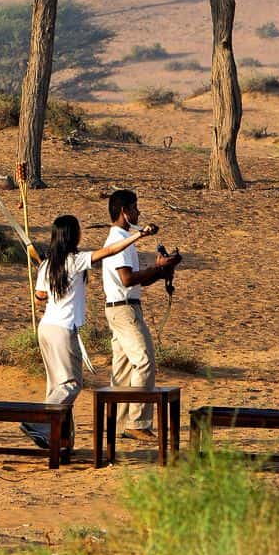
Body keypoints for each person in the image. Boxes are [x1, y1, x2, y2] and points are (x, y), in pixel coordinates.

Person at [21, 214, 152, 449]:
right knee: (71, 385)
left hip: (46, 329)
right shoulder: (74, 261)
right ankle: (38, 421)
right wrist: (138, 236)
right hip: (62, 330)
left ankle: (60, 440)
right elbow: (109, 251)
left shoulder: (47, 265)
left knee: (57, 386)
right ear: (73, 235)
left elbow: (39, 298)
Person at [96, 189, 182, 441]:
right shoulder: (119, 239)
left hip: (119, 308)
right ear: (124, 212)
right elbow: (127, 279)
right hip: (124, 309)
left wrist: (162, 270)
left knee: (122, 368)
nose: (138, 212)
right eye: (135, 207)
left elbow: (137, 281)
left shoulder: (122, 239)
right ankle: (137, 422)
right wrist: (157, 268)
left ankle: (120, 423)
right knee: (144, 360)